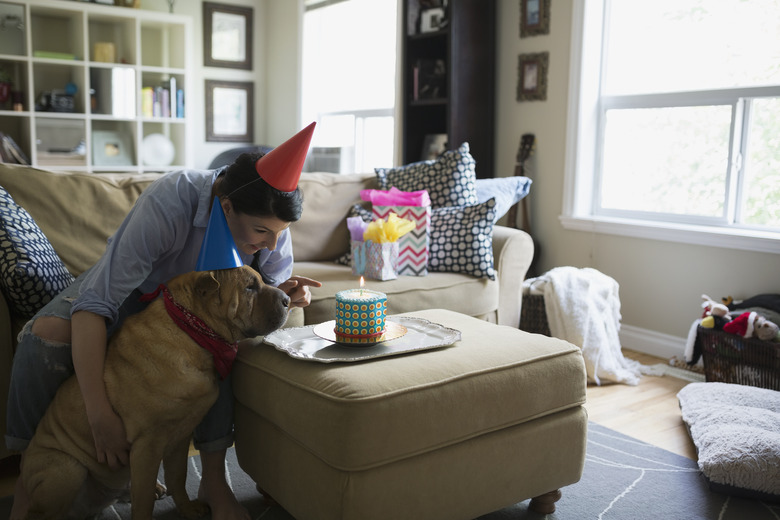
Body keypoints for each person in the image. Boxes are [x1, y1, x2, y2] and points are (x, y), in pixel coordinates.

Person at [7, 123, 321, 520]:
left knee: (221, 343)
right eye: (261, 231)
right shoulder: (173, 199)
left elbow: (265, 292)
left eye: (281, 233)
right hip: (138, 289)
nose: (271, 243)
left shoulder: (270, 224)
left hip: (202, 311)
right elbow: (96, 304)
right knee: (45, 336)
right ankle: (27, 472)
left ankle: (214, 480)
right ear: (226, 208)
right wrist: (99, 414)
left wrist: (289, 295)